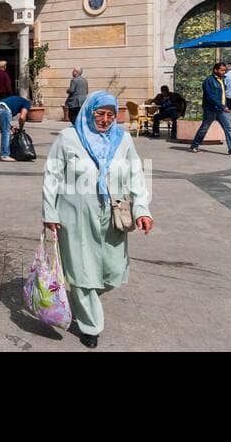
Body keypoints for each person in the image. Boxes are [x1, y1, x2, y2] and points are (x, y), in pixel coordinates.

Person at [41, 91, 153, 348]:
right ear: (88, 112)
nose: (105, 120)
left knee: (113, 270)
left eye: (110, 115)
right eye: (99, 114)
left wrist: (142, 210)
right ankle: (90, 325)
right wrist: (50, 212)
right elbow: (52, 175)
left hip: (114, 214)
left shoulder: (123, 139)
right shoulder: (69, 137)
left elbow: (136, 175)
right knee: (82, 271)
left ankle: (84, 296)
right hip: (75, 215)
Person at [189, 63, 231, 155]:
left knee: (228, 128)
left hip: (221, 109)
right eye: (221, 70)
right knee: (204, 128)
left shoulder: (222, 79)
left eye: (224, 70)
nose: (223, 72)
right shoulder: (208, 81)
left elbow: (223, 95)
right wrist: (222, 106)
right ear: (215, 70)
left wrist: (225, 105)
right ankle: (195, 145)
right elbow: (210, 97)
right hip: (211, 109)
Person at [0, 92, 31, 161]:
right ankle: (5, 155)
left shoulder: (18, 100)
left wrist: (11, 127)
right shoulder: (27, 103)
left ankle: (6, 152)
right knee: (6, 132)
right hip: (4, 110)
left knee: (5, 130)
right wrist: (21, 128)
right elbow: (22, 117)